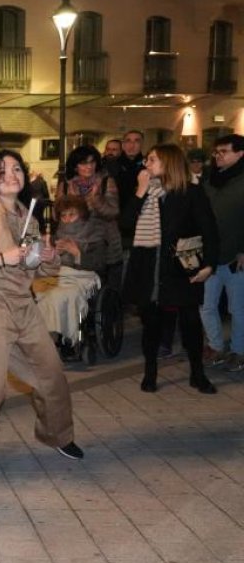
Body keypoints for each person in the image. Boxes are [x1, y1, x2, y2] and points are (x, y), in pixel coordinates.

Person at [0, 150, 84, 481]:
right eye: (2, 170)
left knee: (52, 375)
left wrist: (49, 257)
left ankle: (57, 435)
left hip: (25, 306)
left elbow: (37, 269)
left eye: (16, 169)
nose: (12, 175)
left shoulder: (30, 217)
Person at [122, 144, 219, 394]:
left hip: (180, 267)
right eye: (147, 159)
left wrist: (209, 264)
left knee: (190, 322)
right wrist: (141, 191)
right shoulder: (145, 192)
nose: (147, 164)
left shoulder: (191, 192)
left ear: (169, 162)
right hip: (149, 266)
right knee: (151, 323)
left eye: (152, 159)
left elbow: (209, 229)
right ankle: (150, 372)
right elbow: (125, 223)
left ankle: (198, 373)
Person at [38, 195, 107, 362]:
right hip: (60, 275)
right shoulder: (56, 236)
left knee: (66, 295)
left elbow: (100, 264)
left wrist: (77, 253)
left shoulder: (95, 234)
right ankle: (49, 337)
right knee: (41, 293)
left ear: (81, 214)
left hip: (84, 276)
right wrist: (55, 254)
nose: (67, 220)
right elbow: (48, 263)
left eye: (72, 215)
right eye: (63, 216)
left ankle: (70, 338)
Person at [202, 134, 244, 372]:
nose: (218, 156)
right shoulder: (211, 180)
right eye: (216, 152)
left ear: (240, 154)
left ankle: (239, 351)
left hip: (235, 257)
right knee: (206, 306)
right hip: (210, 255)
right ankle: (216, 346)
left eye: (224, 151)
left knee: (237, 308)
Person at [56, 145, 123, 286]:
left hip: (103, 242)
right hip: (75, 241)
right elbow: (58, 215)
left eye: (92, 162)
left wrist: (96, 199)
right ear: (75, 166)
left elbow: (113, 212)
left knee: (103, 286)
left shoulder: (105, 182)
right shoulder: (67, 186)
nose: (89, 167)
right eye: (83, 163)